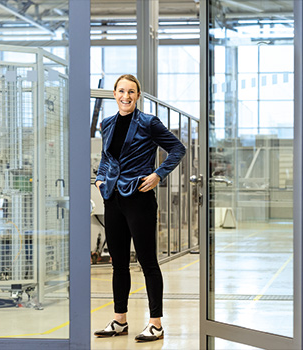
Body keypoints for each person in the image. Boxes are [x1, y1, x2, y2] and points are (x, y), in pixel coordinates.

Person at [93, 74, 186, 342]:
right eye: (121, 91)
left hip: (139, 197)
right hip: (112, 199)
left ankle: (155, 324)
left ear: (138, 96)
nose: (126, 96)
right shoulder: (107, 123)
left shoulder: (148, 122)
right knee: (118, 263)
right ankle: (120, 320)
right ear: (114, 94)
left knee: (147, 262)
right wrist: (100, 178)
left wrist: (158, 174)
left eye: (131, 92)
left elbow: (177, 149)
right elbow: (106, 157)